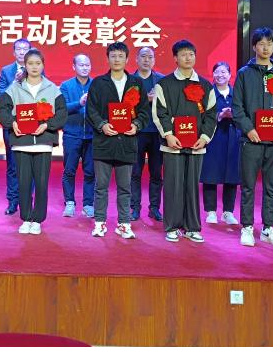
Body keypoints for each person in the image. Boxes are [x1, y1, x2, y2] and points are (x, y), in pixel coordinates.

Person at [232, 27, 273, 248]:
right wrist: (249, 129)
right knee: (248, 185)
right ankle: (247, 227)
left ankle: (268, 228)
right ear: (254, 47)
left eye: (269, 43)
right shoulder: (244, 74)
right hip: (251, 140)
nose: (266, 47)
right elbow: (237, 107)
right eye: (261, 43)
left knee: (272, 186)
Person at [153, 40, 217, 243]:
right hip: (172, 145)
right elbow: (160, 112)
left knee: (192, 186)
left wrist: (204, 137)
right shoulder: (164, 84)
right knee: (173, 185)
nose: (188, 58)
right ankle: (172, 226)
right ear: (175, 58)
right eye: (183, 54)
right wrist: (168, 135)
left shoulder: (205, 85)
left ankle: (192, 227)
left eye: (191, 54)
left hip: (197, 145)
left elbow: (211, 115)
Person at [0, 48, 67, 235]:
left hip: (43, 142)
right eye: (30, 63)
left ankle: (38, 220)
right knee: (24, 183)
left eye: (38, 63)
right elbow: (2, 111)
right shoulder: (15, 88)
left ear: (43, 65)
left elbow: (62, 114)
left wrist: (47, 125)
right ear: (24, 66)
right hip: (22, 142)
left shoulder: (52, 88)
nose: (34, 67)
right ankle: (26, 218)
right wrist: (12, 123)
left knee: (42, 183)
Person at [86, 42, 148, 239]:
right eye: (113, 56)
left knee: (125, 187)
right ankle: (100, 223)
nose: (117, 59)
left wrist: (136, 125)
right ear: (107, 59)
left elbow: (144, 111)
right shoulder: (98, 83)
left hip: (127, 142)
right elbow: (91, 110)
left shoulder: (136, 83)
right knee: (101, 187)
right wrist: (102, 125)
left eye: (121, 56)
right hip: (104, 142)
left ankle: (124, 224)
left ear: (127, 59)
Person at [200, 61, 240, 225]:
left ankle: (228, 212)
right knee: (210, 174)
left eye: (224, 72)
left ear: (230, 75)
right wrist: (219, 115)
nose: (220, 75)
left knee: (232, 175)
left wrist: (233, 114)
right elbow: (202, 114)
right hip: (213, 137)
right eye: (217, 72)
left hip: (233, 138)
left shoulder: (237, 93)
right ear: (213, 75)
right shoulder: (208, 93)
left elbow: (244, 112)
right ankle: (210, 211)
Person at [0, 38, 31, 215]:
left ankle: (27, 199)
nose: (22, 52)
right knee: (12, 164)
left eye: (25, 48)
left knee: (30, 163)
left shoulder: (36, 68)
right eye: (19, 49)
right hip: (11, 123)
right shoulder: (6, 71)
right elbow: (2, 95)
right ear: (13, 52)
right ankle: (12, 200)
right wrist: (15, 82)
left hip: (30, 122)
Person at [130, 47, 164, 222]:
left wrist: (158, 99)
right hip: (136, 131)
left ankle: (154, 208)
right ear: (136, 59)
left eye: (150, 57)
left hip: (157, 133)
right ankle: (135, 208)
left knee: (156, 173)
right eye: (143, 56)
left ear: (154, 60)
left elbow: (168, 105)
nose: (146, 60)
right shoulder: (130, 80)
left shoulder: (162, 80)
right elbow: (124, 105)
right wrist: (147, 99)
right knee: (135, 172)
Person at [59, 53, 95, 218]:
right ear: (74, 67)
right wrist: (79, 103)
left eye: (87, 65)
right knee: (69, 170)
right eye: (81, 65)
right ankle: (69, 202)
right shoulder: (66, 86)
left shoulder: (96, 85)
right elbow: (62, 108)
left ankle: (88, 204)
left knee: (90, 171)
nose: (85, 68)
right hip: (72, 134)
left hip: (92, 136)